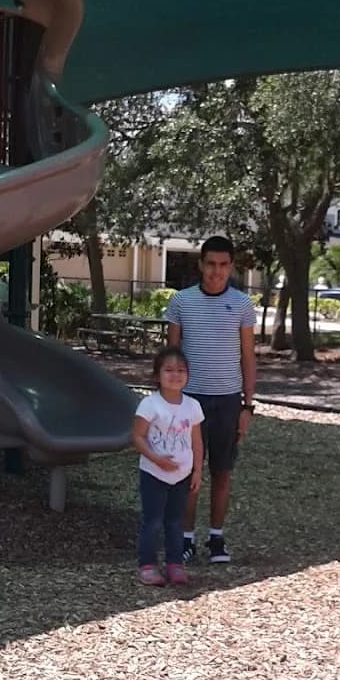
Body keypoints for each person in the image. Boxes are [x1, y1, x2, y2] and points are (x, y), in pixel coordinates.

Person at [165, 235, 256, 564]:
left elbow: (248, 356)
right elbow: (171, 357)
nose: (216, 271)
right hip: (190, 401)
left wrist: (248, 405)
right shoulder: (181, 302)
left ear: (231, 267)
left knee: (222, 471)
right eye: (210, 264)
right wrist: (169, 403)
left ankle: (216, 538)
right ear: (200, 265)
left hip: (228, 400)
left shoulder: (243, 305)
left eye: (223, 265)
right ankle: (185, 538)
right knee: (189, 472)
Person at [131, 346, 204, 587]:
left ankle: (175, 562)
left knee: (176, 520)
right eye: (169, 370)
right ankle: (148, 564)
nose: (176, 375)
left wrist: (197, 470)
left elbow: (196, 441)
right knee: (152, 520)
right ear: (157, 375)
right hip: (154, 472)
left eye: (181, 370)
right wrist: (156, 459)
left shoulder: (192, 406)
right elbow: (137, 437)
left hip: (181, 475)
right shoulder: (150, 405)